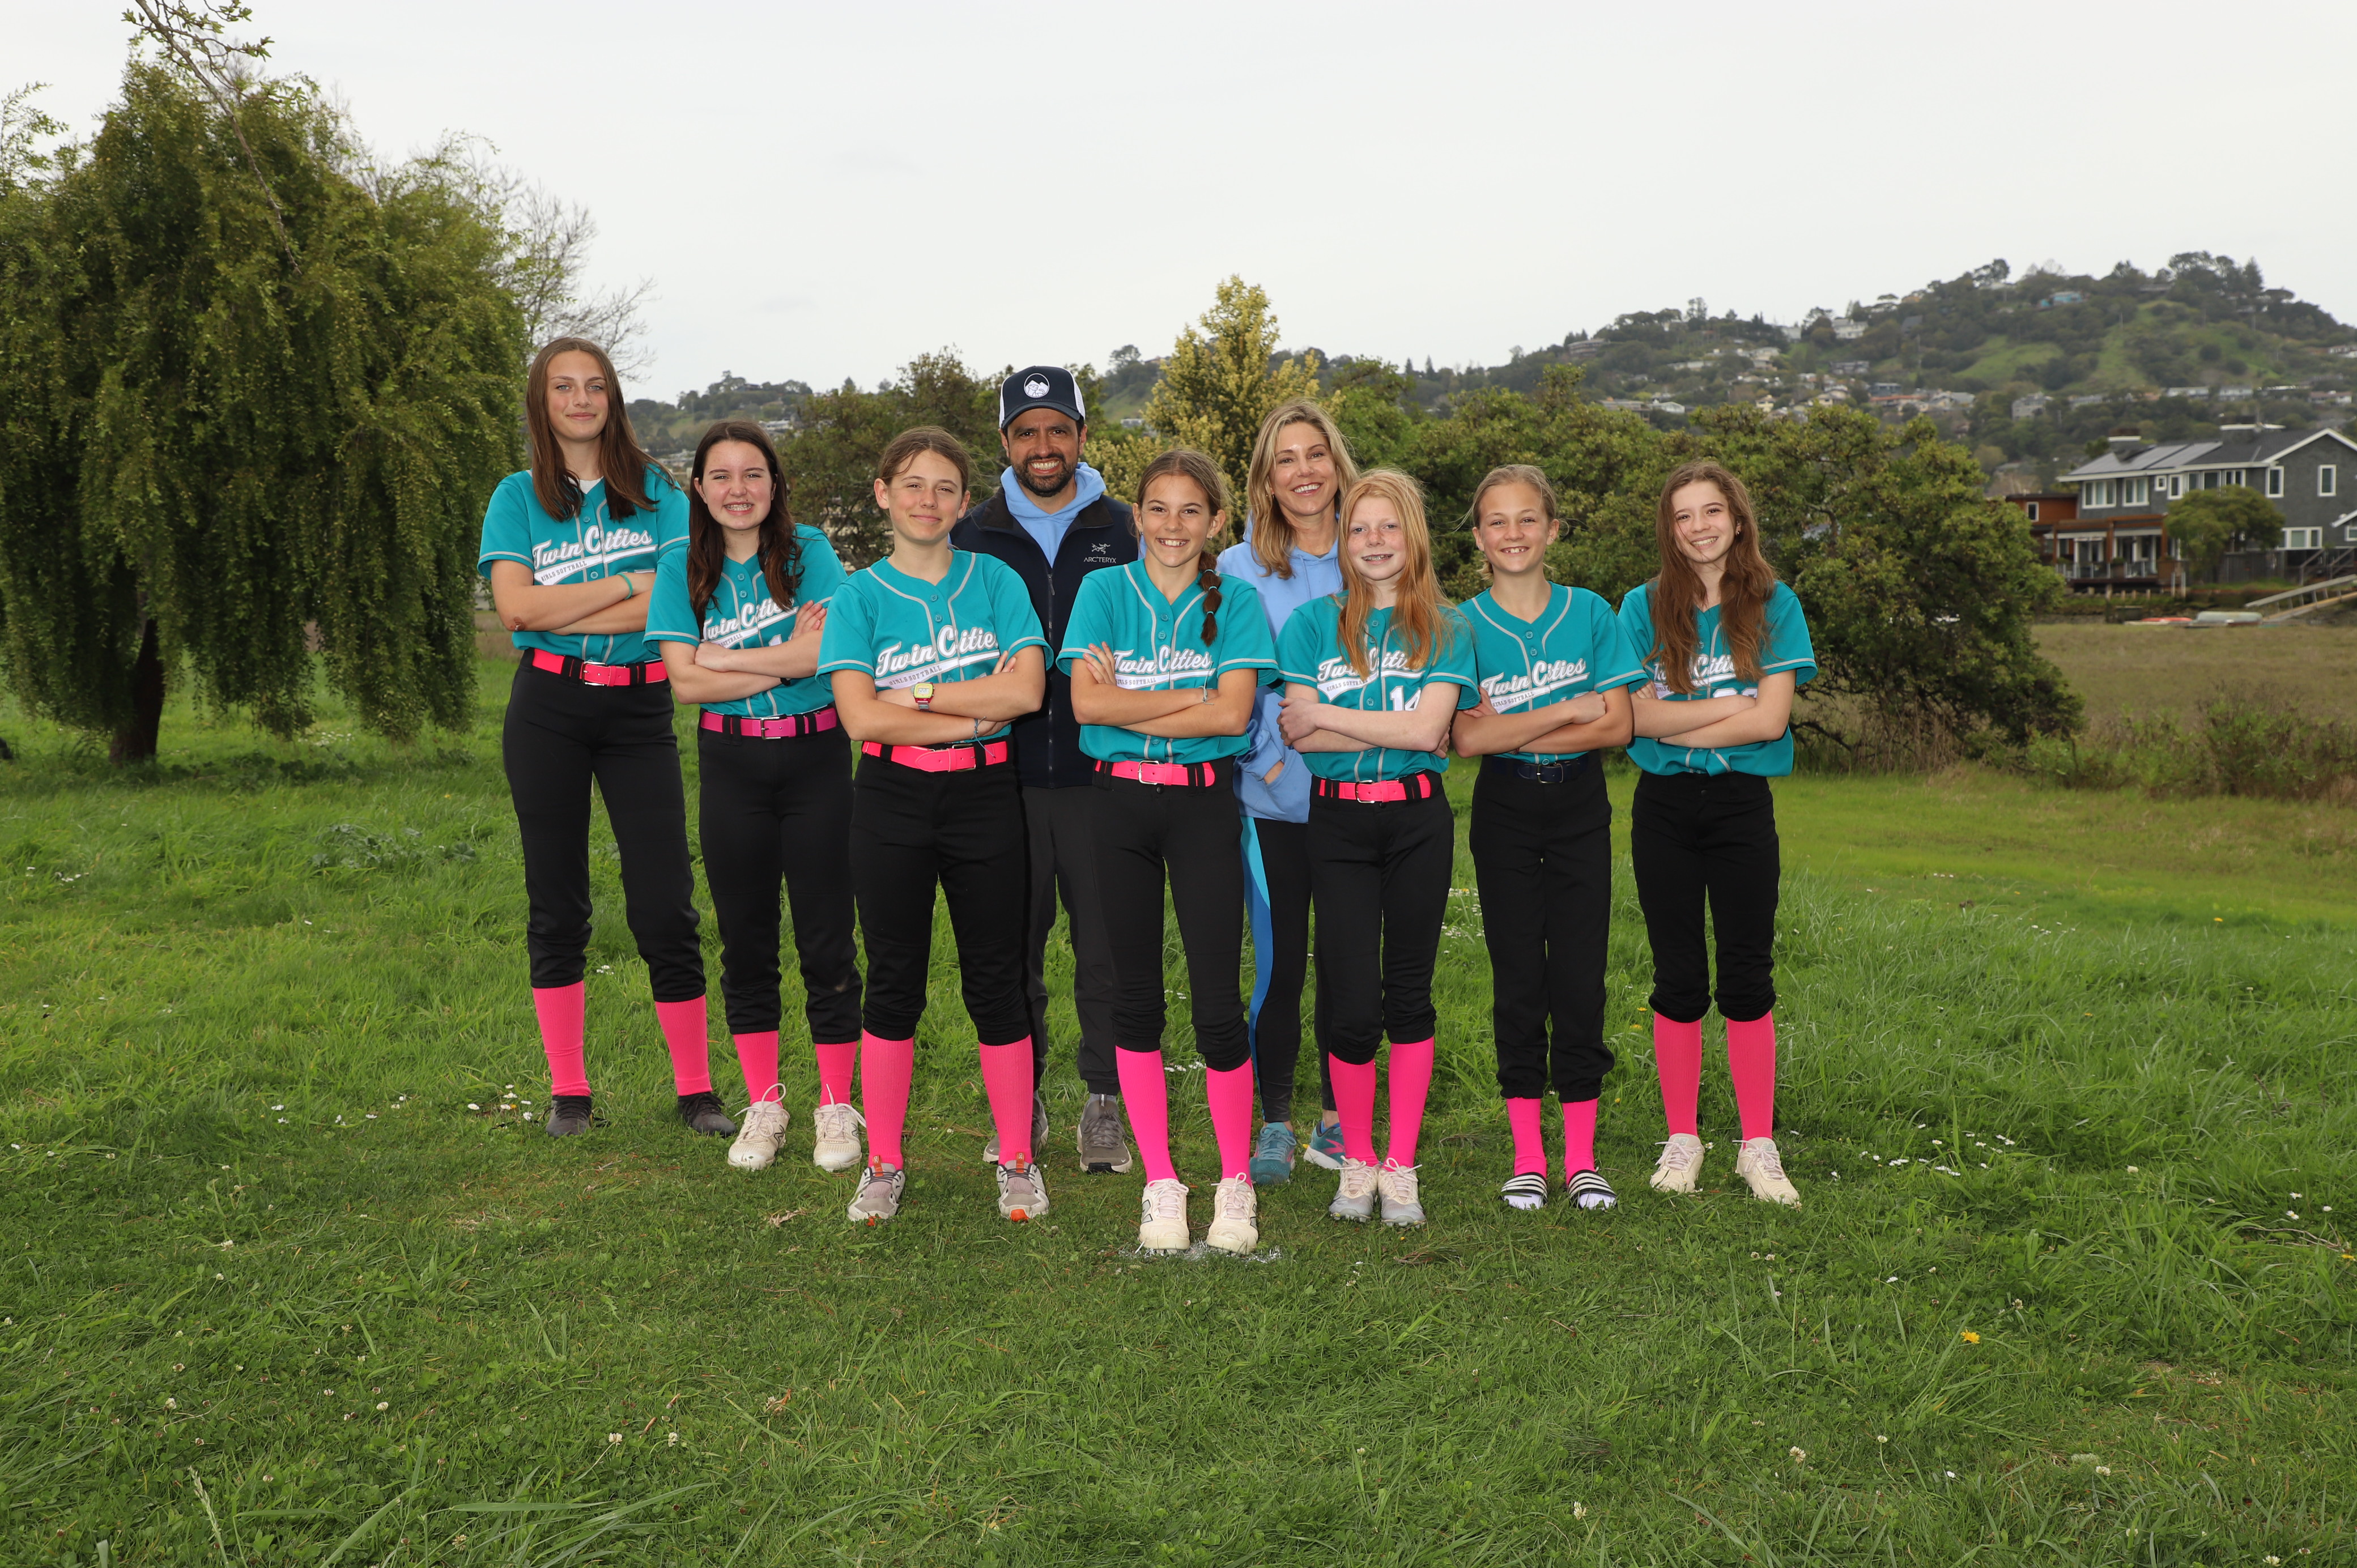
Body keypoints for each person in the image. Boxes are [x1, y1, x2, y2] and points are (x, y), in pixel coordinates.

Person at [479, 336, 720, 1141]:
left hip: (638, 710)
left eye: (594, 386)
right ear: (542, 403)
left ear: (612, 399)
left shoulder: (658, 493)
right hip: (547, 705)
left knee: (665, 902)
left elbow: (681, 599)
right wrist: (626, 582)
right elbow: (517, 609)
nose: (580, 400)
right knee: (558, 902)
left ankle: (696, 1092)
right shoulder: (517, 497)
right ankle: (570, 1094)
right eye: (563, 387)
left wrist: (570, 597)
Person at [819, 427, 1051, 1225]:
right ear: (883, 494)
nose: (928, 500)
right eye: (913, 485)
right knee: (893, 981)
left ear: (964, 501)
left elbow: (1025, 693)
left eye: (945, 487)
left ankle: (1017, 1160)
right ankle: (883, 1163)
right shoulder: (858, 597)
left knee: (998, 980)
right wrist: (968, 712)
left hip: (986, 797)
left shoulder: (996, 581)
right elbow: (860, 717)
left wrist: (915, 697)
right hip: (892, 795)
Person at [1060, 449, 1275, 1254]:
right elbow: (1086, 708)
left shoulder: (1239, 600)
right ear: (1136, 516)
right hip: (1117, 805)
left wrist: (1131, 699)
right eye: (1158, 508)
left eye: (1191, 510)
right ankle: (1161, 1182)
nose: (1173, 525)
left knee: (1217, 1001)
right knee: (1135, 1000)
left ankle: (1233, 1182)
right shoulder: (1104, 592)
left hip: (1203, 807)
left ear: (1216, 521)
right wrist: (1195, 693)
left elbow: (1233, 717)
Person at [645, 420, 863, 1174]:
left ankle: (835, 1106)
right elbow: (684, 683)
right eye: (722, 476)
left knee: (827, 939)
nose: (738, 490)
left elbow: (826, 654)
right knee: (746, 942)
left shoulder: (812, 553)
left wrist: (724, 657)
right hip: (732, 762)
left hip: (815, 757)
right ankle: (765, 1104)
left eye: (753, 474)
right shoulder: (679, 565)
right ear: (699, 488)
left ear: (775, 483)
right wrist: (782, 658)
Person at [1275, 470, 1479, 1226]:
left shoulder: (1447, 626)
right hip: (1337, 824)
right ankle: (1357, 1163)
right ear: (1343, 541)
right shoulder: (1310, 625)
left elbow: (1428, 732)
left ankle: (1401, 1166)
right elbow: (1298, 735)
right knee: (1353, 1000)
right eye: (1359, 528)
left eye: (1389, 526)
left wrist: (1331, 714)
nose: (1374, 541)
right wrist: (1366, 725)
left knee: (1409, 995)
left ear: (1413, 535)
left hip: (1417, 820)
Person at [951, 367, 1136, 1174]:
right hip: (1001, 775)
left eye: (1059, 428)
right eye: (1026, 432)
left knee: (1106, 950)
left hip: (1102, 775)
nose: (1044, 445)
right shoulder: (971, 534)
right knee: (1009, 949)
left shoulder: (1126, 528)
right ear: (1005, 442)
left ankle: (1104, 1100)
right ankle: (1017, 1099)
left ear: (1083, 435)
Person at [1617, 460, 1816, 1207]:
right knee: (1677, 975)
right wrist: (1729, 710)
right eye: (1683, 516)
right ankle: (1684, 1139)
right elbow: (1631, 717)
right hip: (1664, 808)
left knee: (1747, 972)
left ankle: (1757, 1145)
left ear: (1737, 519)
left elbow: (1772, 721)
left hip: (1740, 806)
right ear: (1669, 530)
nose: (1698, 527)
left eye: (1711, 512)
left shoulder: (1774, 604)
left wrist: (1677, 722)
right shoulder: (1641, 607)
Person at [1452, 466, 1646, 1212]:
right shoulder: (1464, 626)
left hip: (1579, 804)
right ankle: (1529, 1157)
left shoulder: (1590, 612)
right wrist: (1568, 707)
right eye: (1497, 522)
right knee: (1518, 980)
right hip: (1505, 807)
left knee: (1580, 976)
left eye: (1528, 519)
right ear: (1478, 537)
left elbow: (1619, 725)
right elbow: (1470, 740)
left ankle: (1582, 1160)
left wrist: (1513, 725)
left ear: (1553, 529)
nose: (1514, 534)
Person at [1217, 400, 1360, 1185]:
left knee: (1348, 963)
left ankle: (1338, 1121)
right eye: (1285, 459)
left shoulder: (1374, 550)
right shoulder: (1238, 568)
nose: (1304, 472)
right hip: (1271, 802)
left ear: (1337, 465)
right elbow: (1225, 680)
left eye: (1316, 454)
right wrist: (1265, 761)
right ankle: (1274, 1119)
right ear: (1266, 480)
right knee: (1279, 968)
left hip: (1359, 797)